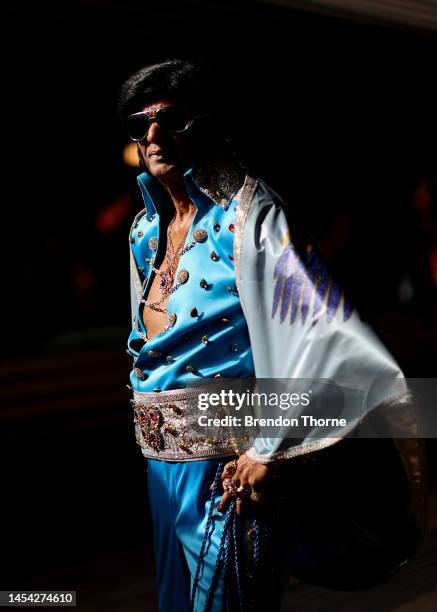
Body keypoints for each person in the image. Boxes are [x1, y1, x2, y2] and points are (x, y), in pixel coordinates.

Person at [117, 58, 427, 612]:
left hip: (231, 475)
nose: (153, 136)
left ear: (206, 125)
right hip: (160, 470)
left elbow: (324, 331)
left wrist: (270, 447)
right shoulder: (145, 230)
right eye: (140, 124)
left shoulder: (250, 216)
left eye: (172, 118)